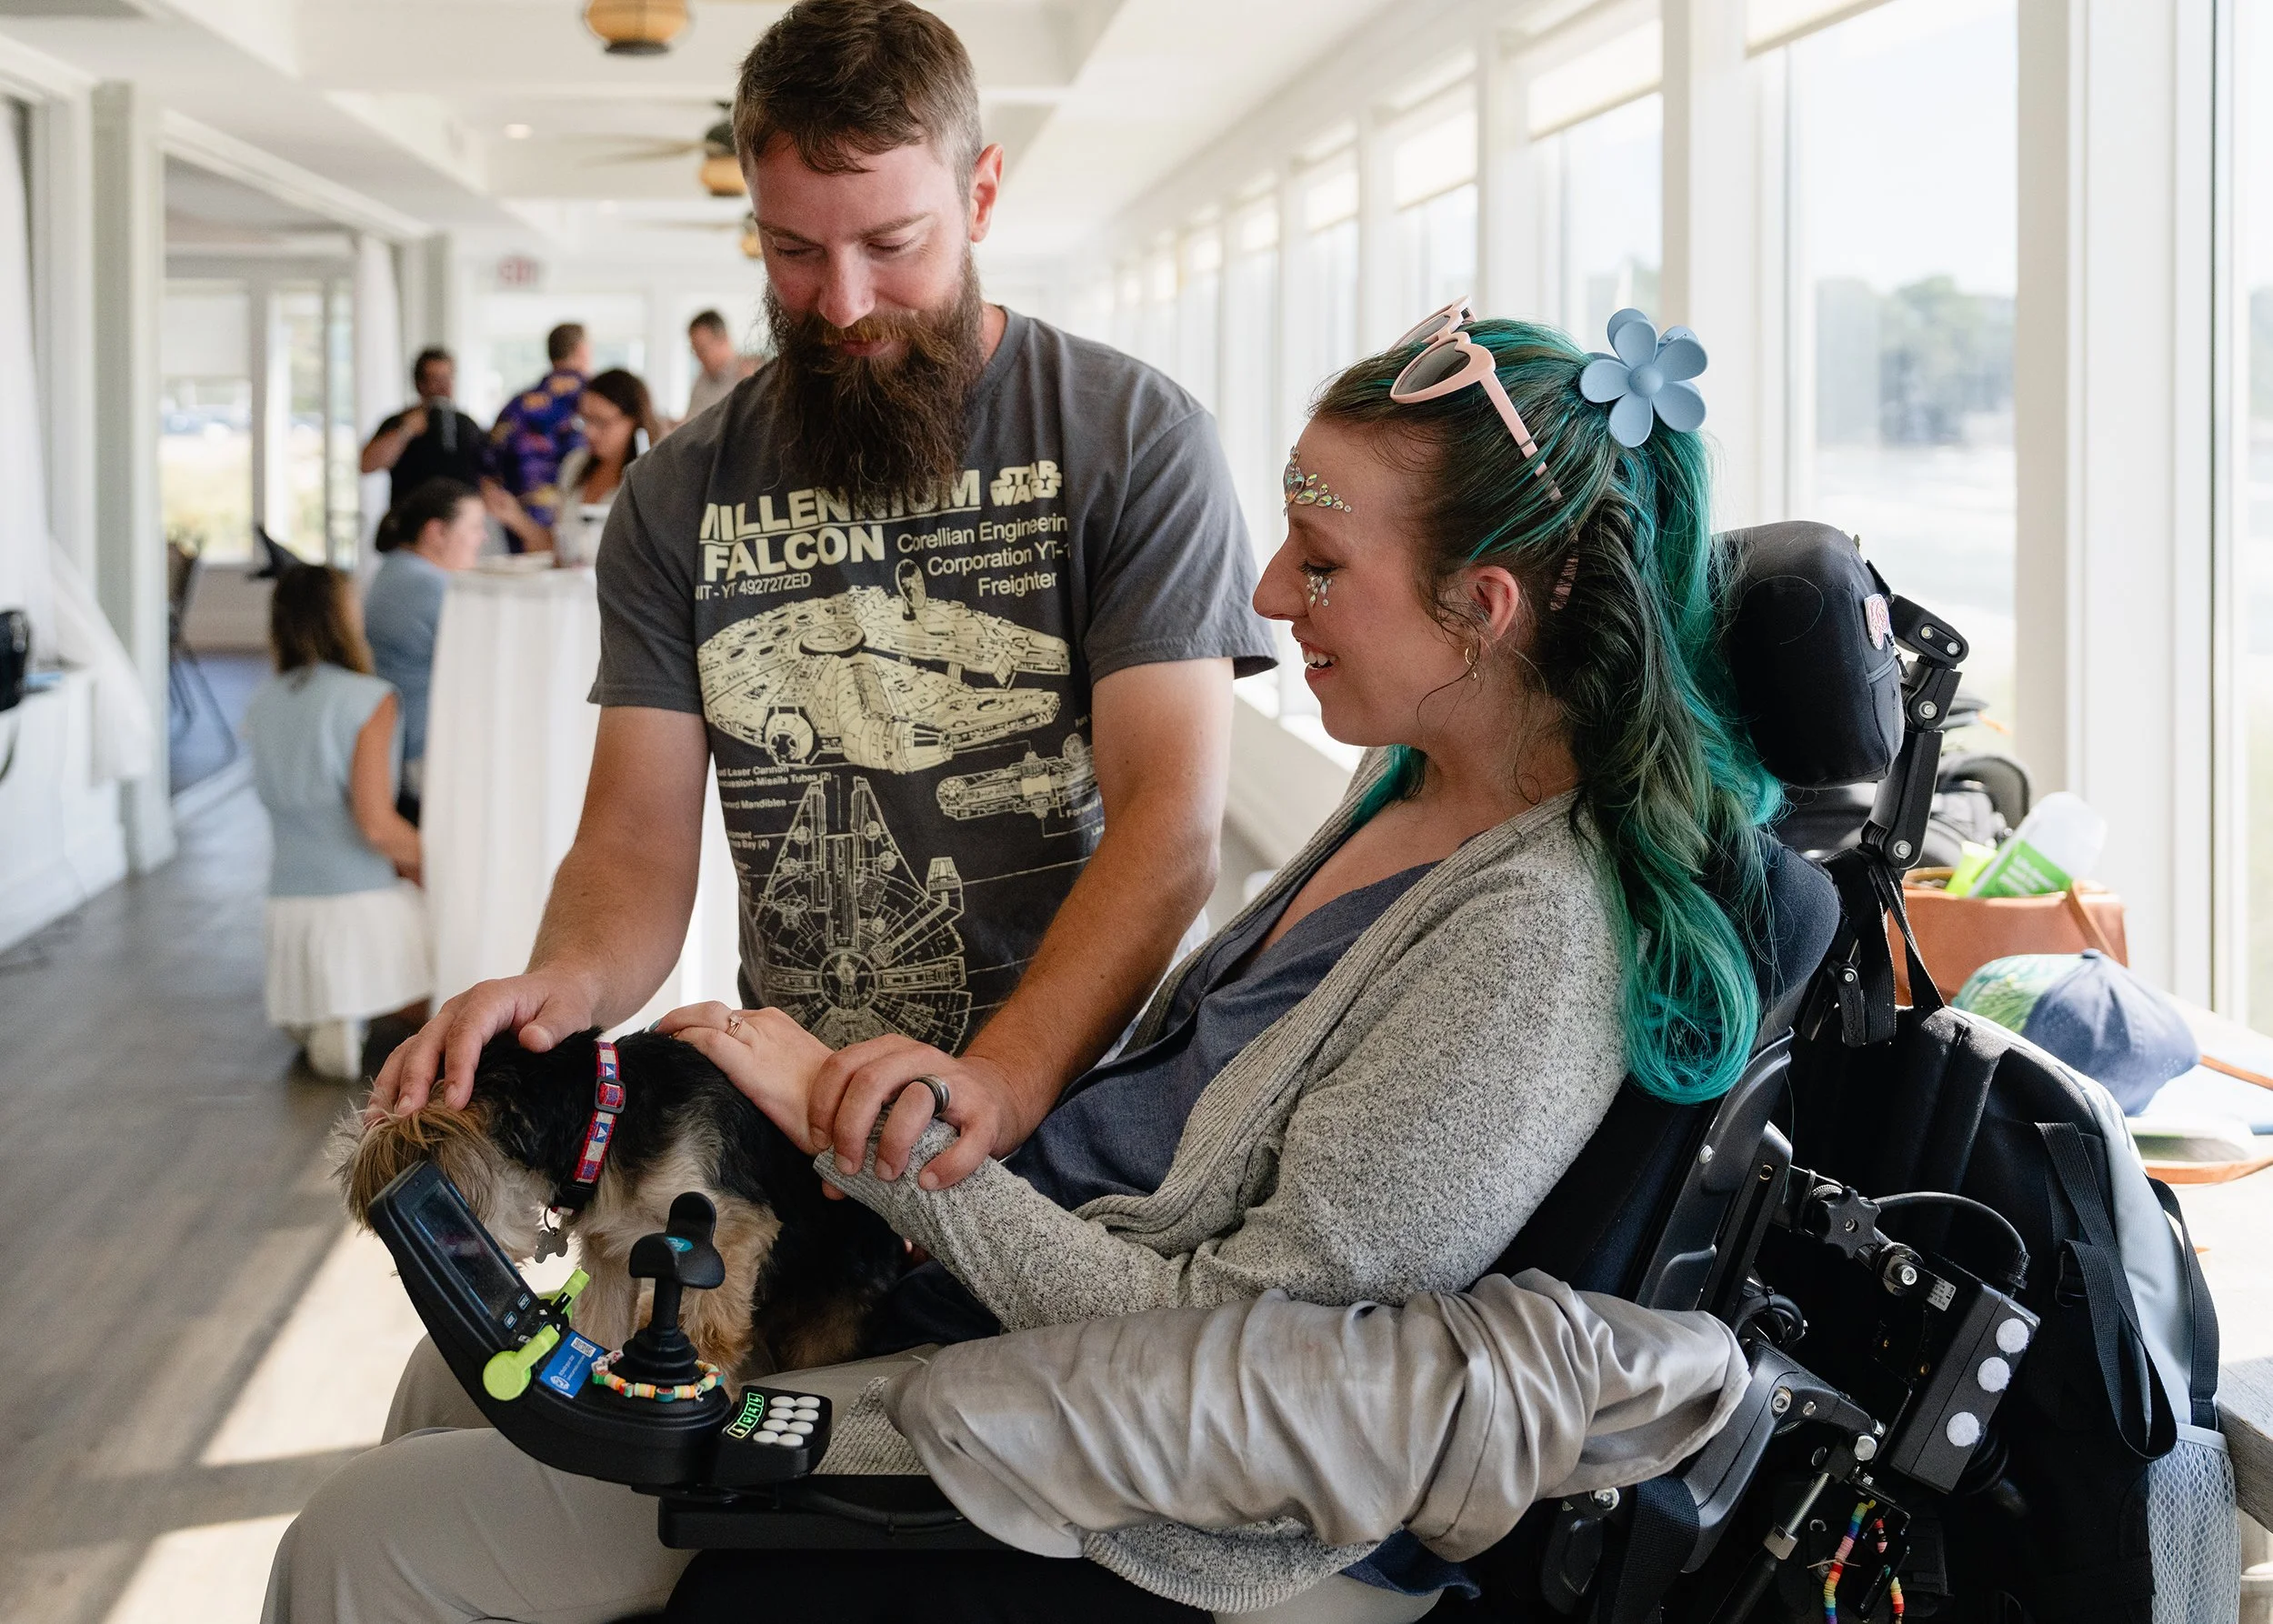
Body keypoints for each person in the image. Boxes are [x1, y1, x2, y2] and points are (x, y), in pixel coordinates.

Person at [264, 300, 1791, 1617]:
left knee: (356, 1546)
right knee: (434, 1391)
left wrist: (866, 1143)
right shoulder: (1414, 788)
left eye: (1321, 563)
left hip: (1108, 1457)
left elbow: (1240, 1368)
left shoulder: (1528, 941)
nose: (1267, 595)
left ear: (1489, 609)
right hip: (992, 1305)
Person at [242, 565, 430, 1084]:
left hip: (288, 905)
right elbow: (377, 827)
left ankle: (322, 1007)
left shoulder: (264, 701)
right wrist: (450, 860)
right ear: (340, 617)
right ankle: (352, 1004)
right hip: (357, 905)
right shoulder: (370, 699)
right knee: (450, 975)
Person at [363, 478, 486, 822]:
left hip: (403, 748)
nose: (483, 538)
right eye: (475, 527)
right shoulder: (429, 587)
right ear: (437, 533)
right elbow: (485, 667)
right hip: (426, 754)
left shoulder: (395, 571)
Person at [482, 369, 659, 566]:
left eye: (601, 422)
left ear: (634, 420)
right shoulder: (575, 464)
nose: (589, 432)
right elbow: (559, 550)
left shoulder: (651, 475)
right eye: (584, 420)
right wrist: (515, 517)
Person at [483, 323, 591, 546]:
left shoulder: (517, 405)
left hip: (521, 527)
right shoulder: (598, 403)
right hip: (581, 525)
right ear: (581, 350)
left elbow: (487, 464)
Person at [360, 348, 488, 509]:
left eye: (447, 378)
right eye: (436, 379)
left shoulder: (467, 423)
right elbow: (365, 465)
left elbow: (488, 470)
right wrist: (405, 431)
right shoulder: (401, 421)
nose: (443, 387)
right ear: (420, 384)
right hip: (411, 521)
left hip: (457, 523)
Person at [682, 308, 752, 422]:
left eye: (702, 349)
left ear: (723, 340)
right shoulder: (701, 380)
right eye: (695, 351)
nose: (698, 357)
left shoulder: (749, 375)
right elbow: (690, 422)